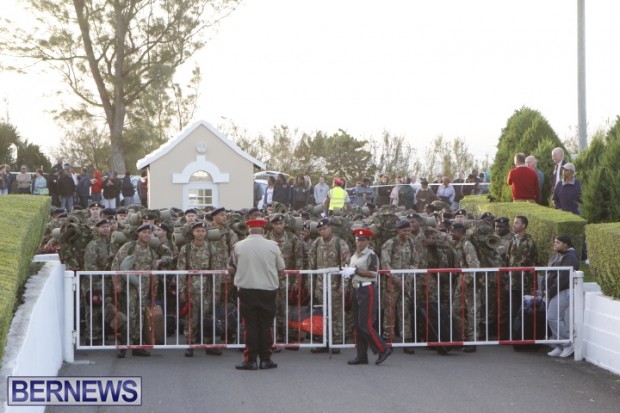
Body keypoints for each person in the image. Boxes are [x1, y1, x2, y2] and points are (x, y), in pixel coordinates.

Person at [229, 218, 285, 370]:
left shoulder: (238, 246)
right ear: (263, 230)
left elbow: (232, 267)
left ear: (249, 230)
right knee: (266, 325)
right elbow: (281, 267)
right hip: (267, 290)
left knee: (250, 326)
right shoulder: (273, 246)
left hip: (247, 289)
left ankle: (251, 360)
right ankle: (266, 359)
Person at [111, 224, 172, 358]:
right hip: (130, 288)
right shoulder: (129, 246)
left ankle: (137, 345)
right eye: (144, 232)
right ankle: (124, 345)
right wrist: (117, 283)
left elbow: (153, 270)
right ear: (138, 234)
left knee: (141, 317)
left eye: (150, 233)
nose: (147, 235)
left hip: (144, 289)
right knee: (129, 316)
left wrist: (153, 288)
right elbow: (116, 264)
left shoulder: (151, 250)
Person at [345, 228, 393, 366]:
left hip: (367, 289)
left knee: (365, 324)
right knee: (358, 325)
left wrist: (356, 270)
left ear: (368, 241)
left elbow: (373, 273)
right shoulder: (355, 255)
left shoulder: (371, 255)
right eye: (358, 240)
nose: (359, 243)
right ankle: (361, 355)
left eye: (363, 240)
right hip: (356, 288)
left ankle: (383, 349)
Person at [177, 221, 220, 357]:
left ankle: (208, 344)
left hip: (206, 288)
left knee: (207, 316)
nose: (200, 233)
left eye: (202, 231)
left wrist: (216, 290)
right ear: (193, 233)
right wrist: (181, 289)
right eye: (197, 231)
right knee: (192, 317)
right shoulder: (186, 248)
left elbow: (215, 270)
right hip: (191, 289)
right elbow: (181, 269)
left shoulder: (211, 248)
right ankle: (190, 344)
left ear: (206, 233)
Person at [308, 218, 350, 353]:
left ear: (330, 228)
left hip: (334, 285)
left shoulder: (340, 243)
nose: (323, 232)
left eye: (324, 229)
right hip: (320, 285)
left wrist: (343, 285)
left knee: (336, 314)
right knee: (322, 313)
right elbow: (311, 265)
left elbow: (346, 265)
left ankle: (336, 342)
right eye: (320, 230)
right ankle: (323, 341)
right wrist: (311, 285)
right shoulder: (316, 243)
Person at [265, 214, 304, 342]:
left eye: (280, 224)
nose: (278, 226)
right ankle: (274, 335)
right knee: (272, 307)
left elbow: (299, 259)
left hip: (288, 279)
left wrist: (297, 281)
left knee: (286, 307)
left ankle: (287, 334)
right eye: (275, 224)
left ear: (284, 225)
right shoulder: (266, 239)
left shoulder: (292, 239)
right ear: (272, 225)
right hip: (270, 278)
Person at [380, 220, 416, 353]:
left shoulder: (411, 243)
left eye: (408, 231)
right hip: (391, 284)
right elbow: (385, 264)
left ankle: (407, 340)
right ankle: (388, 339)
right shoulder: (390, 244)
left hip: (406, 283)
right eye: (404, 231)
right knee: (389, 311)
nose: (406, 233)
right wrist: (397, 281)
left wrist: (407, 279)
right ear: (398, 230)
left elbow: (415, 262)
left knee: (405, 311)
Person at [545, 234, 579, 358]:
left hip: (563, 291)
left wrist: (551, 290)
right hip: (557, 291)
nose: (555, 244)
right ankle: (560, 345)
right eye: (555, 242)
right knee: (556, 318)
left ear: (566, 244)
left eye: (558, 242)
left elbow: (564, 277)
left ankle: (567, 344)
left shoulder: (570, 257)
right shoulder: (560, 256)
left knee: (552, 318)